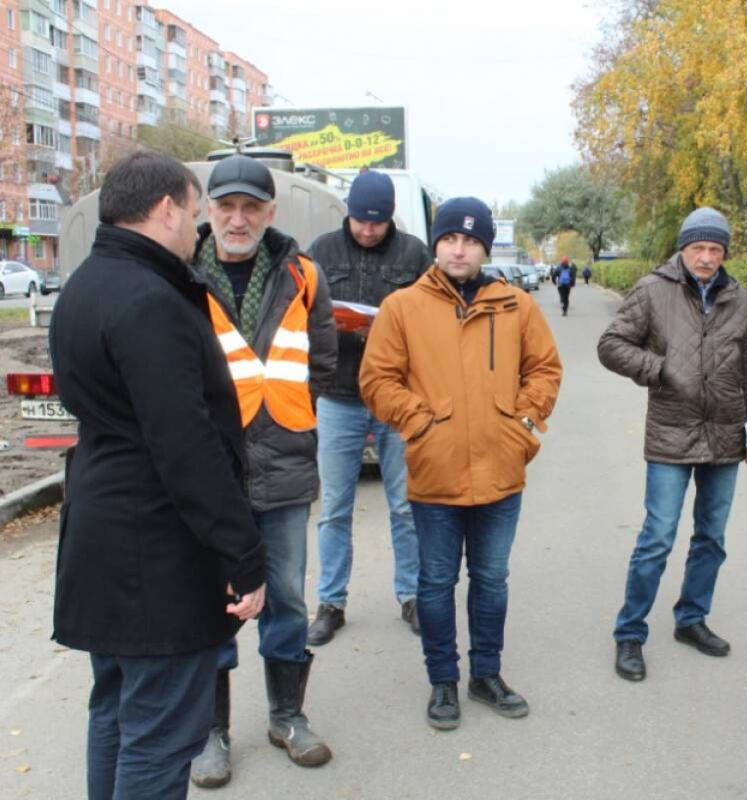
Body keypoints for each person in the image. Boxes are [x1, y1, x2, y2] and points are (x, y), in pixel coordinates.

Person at [49, 151, 266, 799]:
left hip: (104, 533)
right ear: (166, 208)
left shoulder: (88, 283)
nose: (198, 229)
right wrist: (242, 554)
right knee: (162, 735)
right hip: (154, 555)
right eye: (197, 213)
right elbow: (186, 446)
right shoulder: (149, 299)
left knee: (117, 714)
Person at [360, 196, 562, 731]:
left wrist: (522, 424)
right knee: (435, 582)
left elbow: (544, 369)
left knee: (492, 580)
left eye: (471, 240)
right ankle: (442, 682)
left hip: (501, 471)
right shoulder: (403, 306)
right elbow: (377, 380)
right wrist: (420, 423)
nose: (459, 248)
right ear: (436, 244)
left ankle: (486, 675)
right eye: (450, 238)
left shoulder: (516, 305)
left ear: (484, 247)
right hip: (436, 473)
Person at [189, 155, 337, 787]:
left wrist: (282, 413)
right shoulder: (179, 276)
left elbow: (323, 361)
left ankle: (286, 716)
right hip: (207, 473)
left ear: (270, 213)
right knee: (209, 604)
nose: (238, 218)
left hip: (282, 467)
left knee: (286, 599)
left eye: (252, 207)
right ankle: (210, 732)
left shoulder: (303, 275)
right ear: (209, 211)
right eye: (227, 205)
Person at [598, 206, 747, 682]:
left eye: (716, 249)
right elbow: (611, 344)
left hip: (725, 435)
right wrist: (659, 369)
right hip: (671, 433)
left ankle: (692, 619)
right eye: (699, 247)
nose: (707, 258)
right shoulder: (654, 290)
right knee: (657, 538)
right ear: (683, 247)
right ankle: (629, 633)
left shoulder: (741, 300)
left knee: (711, 539)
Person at [306, 170, 433, 646]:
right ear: (349, 212)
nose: (368, 231)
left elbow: (431, 318)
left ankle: (412, 596)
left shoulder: (414, 255)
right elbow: (299, 311)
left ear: (390, 219)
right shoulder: (320, 252)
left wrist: (387, 333)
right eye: (361, 221)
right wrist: (331, 326)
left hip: (395, 396)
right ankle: (330, 603)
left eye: (377, 223)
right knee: (334, 507)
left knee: (404, 505)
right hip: (337, 396)